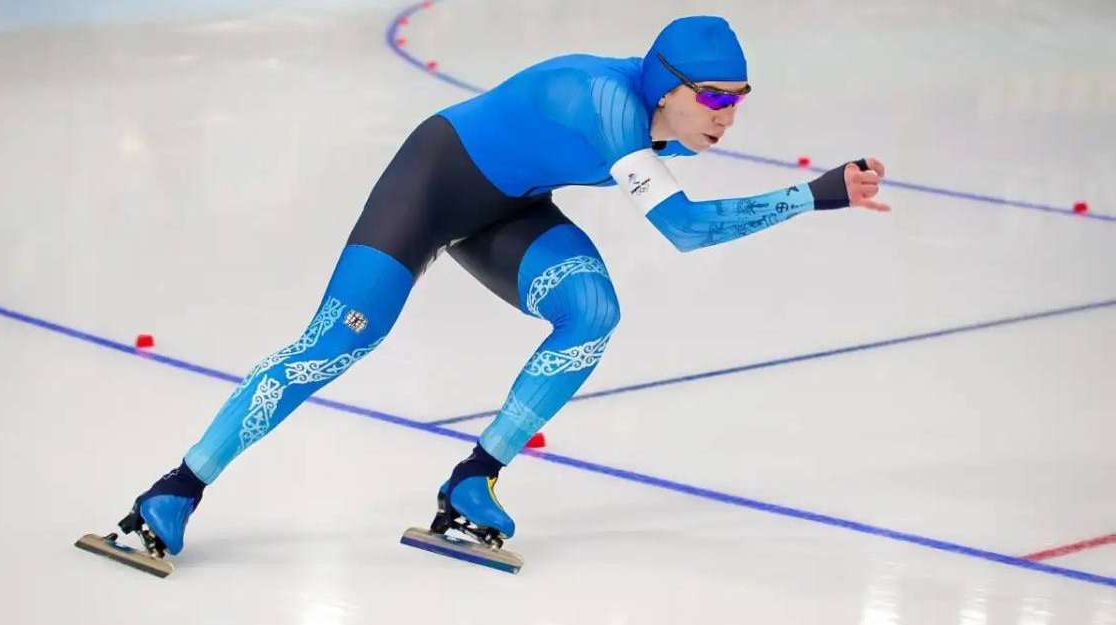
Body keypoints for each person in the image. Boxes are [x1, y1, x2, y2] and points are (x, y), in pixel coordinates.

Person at [114, 15, 889, 561]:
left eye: (739, 98)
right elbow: (685, 231)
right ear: (668, 87)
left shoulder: (661, 119)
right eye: (715, 98)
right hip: (433, 184)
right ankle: (171, 493)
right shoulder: (612, 108)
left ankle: (472, 483)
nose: (728, 115)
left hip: (508, 208)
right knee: (338, 343)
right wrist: (814, 196)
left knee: (591, 314)